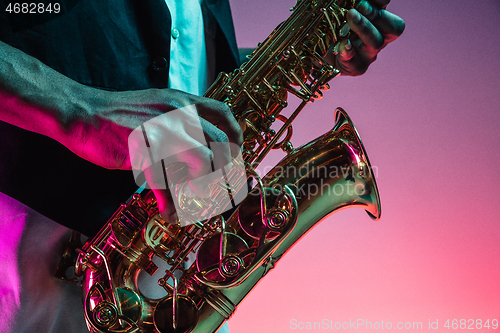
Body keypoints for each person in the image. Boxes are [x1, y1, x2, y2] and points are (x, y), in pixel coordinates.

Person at [0, 0, 404, 332]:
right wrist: (81, 108)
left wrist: (305, 54)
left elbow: (176, 68)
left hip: (179, 288)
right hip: (41, 281)